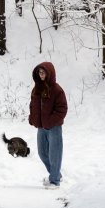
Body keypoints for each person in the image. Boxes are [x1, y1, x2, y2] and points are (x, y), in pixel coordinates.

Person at [29, 61, 68, 189]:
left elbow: (62, 109)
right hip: (41, 127)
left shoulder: (57, 90)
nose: (41, 75)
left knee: (54, 155)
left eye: (44, 72)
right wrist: (32, 118)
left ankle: (55, 181)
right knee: (42, 153)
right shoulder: (36, 89)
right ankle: (56, 174)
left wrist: (51, 121)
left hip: (54, 127)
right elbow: (32, 105)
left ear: (49, 73)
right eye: (39, 72)